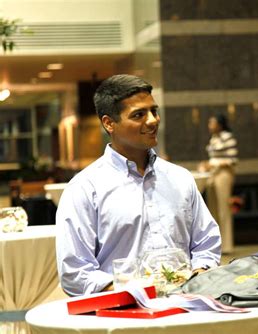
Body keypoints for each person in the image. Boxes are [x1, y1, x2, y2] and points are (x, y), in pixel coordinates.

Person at [56, 74, 221, 296]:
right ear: (109, 123)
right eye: (138, 114)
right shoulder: (85, 189)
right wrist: (135, 291)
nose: (152, 120)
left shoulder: (180, 179)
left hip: (187, 310)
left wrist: (199, 273)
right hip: (122, 319)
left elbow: (206, 243)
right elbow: (75, 272)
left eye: (154, 111)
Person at [198, 114, 238, 254]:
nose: (210, 125)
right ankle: (216, 243)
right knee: (213, 210)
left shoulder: (228, 137)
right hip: (213, 174)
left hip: (224, 174)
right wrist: (207, 164)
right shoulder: (213, 138)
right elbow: (213, 157)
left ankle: (227, 245)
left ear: (220, 124)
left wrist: (211, 163)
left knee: (223, 210)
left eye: (212, 123)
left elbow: (232, 159)